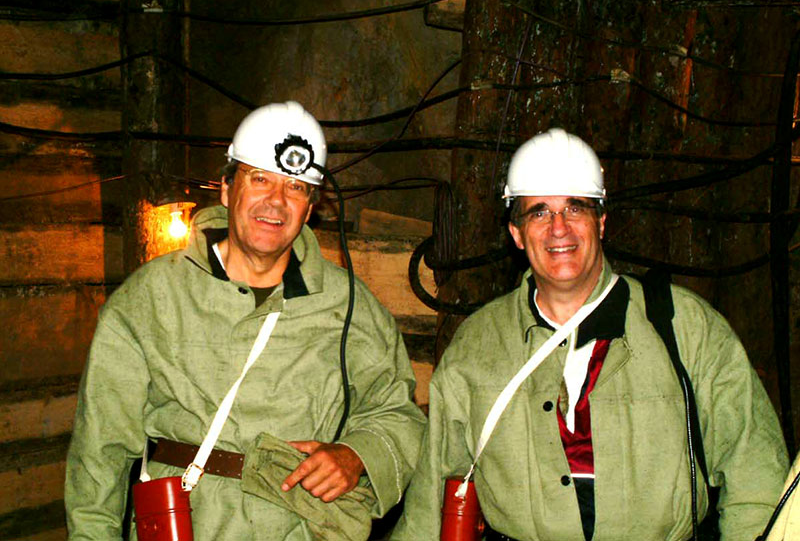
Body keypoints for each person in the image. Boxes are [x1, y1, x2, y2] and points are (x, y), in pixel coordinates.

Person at [391, 128, 788, 541]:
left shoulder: (685, 327)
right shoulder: (478, 345)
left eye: (575, 208)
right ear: (516, 234)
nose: (559, 228)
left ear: (601, 221)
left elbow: (755, 475)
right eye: (539, 212)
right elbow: (430, 503)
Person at [65, 101, 426, 540]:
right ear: (226, 189)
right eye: (259, 179)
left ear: (309, 208)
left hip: (300, 528)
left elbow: (399, 414)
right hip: (188, 521)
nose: (276, 201)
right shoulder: (151, 298)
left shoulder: (349, 305)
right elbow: (99, 449)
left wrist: (357, 454)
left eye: (295, 187)